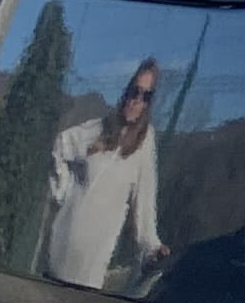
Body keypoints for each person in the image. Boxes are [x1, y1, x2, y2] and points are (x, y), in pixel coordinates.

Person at [40, 59, 166, 288]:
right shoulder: (100, 129)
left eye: (145, 96)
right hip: (61, 248)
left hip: (92, 265)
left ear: (149, 103)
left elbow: (145, 202)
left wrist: (152, 246)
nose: (136, 100)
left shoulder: (144, 143)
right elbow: (60, 145)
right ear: (126, 91)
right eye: (134, 91)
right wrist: (66, 193)